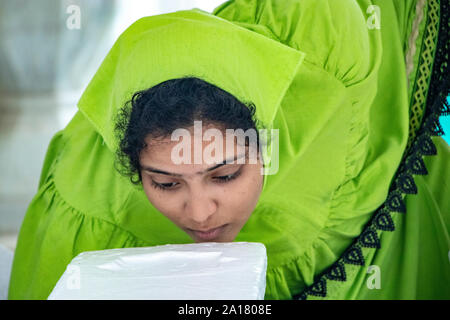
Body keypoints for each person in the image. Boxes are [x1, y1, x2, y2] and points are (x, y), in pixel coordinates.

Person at [8, 0, 450, 300]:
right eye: (164, 182)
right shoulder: (80, 215)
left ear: (270, 147)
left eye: (225, 176)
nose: (200, 214)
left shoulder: (338, 79)